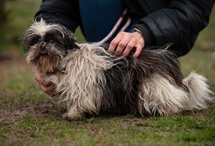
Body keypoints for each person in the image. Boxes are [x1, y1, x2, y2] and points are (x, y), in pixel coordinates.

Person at [33, 0, 214, 96]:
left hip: (162, 29)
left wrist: (146, 32)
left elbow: (193, 7)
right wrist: (47, 49)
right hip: (108, 25)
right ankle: (104, 88)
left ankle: (155, 82)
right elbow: (56, 8)